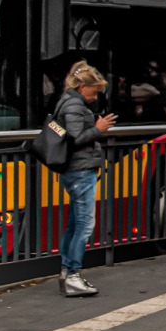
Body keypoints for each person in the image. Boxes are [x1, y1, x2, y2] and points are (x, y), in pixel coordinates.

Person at [56, 62, 116, 297]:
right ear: (82, 87)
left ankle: (66, 272)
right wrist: (98, 129)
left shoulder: (69, 102)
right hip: (80, 171)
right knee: (84, 224)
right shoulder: (73, 105)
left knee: (74, 223)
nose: (96, 96)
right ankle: (73, 274)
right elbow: (74, 138)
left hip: (76, 171)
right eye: (95, 91)